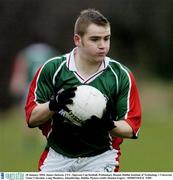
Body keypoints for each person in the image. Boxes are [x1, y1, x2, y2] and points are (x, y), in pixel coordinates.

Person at [25, 9, 141, 172]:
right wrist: (54, 104)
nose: (103, 46)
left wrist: (107, 125)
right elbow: (32, 117)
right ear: (77, 40)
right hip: (57, 157)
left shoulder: (121, 76)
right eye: (95, 39)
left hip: (101, 158)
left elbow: (131, 128)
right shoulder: (52, 69)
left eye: (106, 39)